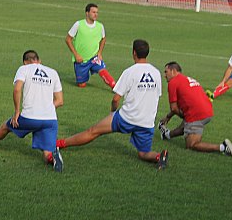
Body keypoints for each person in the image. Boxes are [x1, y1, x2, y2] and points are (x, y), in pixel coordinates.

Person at [57, 39, 169, 170]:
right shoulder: (156, 73)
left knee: (93, 131)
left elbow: (116, 99)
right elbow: (156, 96)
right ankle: (158, 156)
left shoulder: (130, 72)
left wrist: (112, 112)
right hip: (146, 122)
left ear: (134, 53)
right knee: (143, 153)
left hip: (127, 117)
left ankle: (59, 144)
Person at [0, 50, 64, 171]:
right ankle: (53, 158)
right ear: (39, 60)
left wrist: (17, 111)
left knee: (7, 126)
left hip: (29, 118)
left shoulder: (24, 69)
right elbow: (60, 101)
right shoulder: (53, 72)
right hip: (50, 120)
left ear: (25, 62)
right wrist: (44, 107)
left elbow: (17, 89)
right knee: (46, 155)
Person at [158, 62, 232, 158]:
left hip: (197, 114)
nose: (164, 75)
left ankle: (223, 147)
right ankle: (166, 135)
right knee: (186, 124)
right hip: (208, 110)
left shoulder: (173, 82)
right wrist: (170, 117)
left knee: (191, 145)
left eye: (166, 72)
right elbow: (179, 105)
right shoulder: (187, 79)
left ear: (173, 71)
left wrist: (181, 116)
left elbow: (174, 108)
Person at [65, 3, 116, 89]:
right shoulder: (78, 24)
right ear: (87, 13)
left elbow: (103, 39)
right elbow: (68, 39)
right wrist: (76, 54)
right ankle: (83, 77)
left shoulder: (100, 26)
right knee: (82, 85)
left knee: (103, 71)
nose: (96, 14)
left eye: (97, 12)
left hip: (94, 58)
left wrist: (99, 53)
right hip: (81, 60)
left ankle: (116, 88)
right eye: (93, 12)